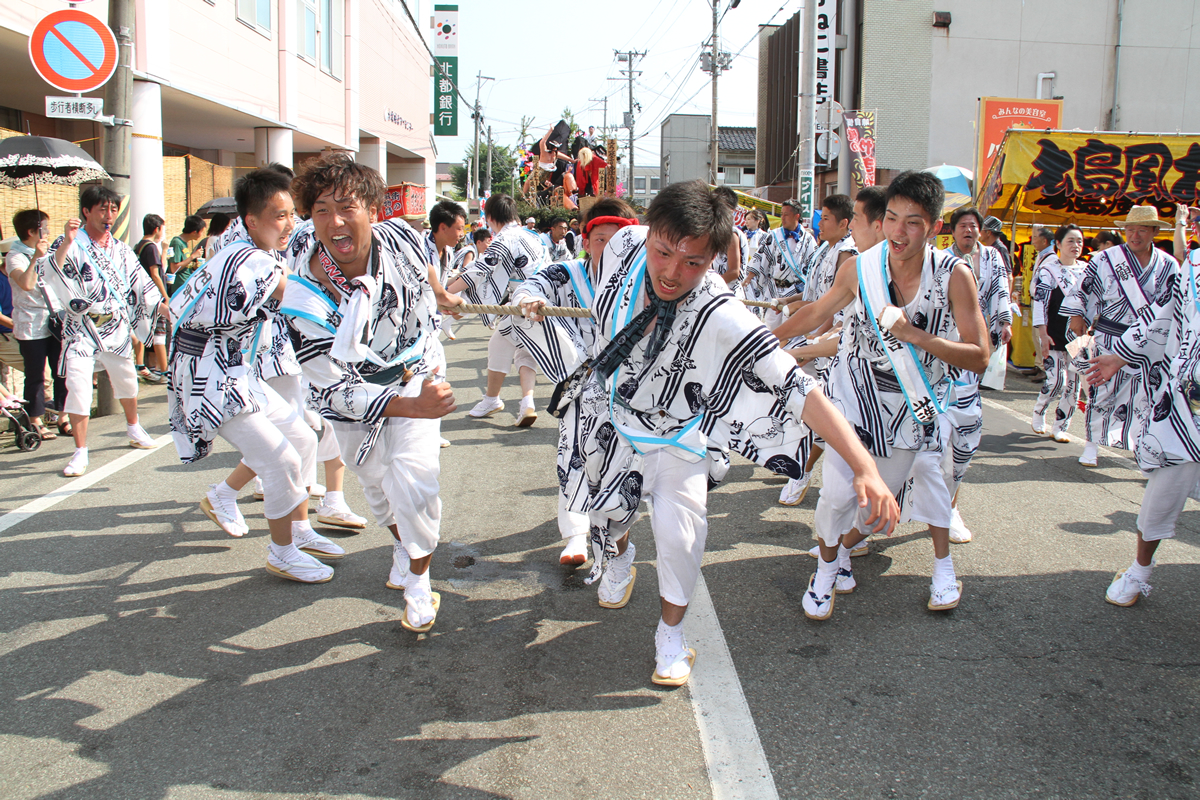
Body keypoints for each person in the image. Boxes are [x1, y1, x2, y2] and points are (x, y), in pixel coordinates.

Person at [571, 180, 898, 686]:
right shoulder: (621, 245)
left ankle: (670, 635)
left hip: (677, 439)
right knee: (609, 519)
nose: (673, 273)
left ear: (715, 260)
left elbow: (799, 389)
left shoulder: (722, 313)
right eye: (663, 252)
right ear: (650, 233)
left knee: (682, 539)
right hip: (612, 422)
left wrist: (864, 466)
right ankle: (619, 555)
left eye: (694, 263)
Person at [781, 171, 991, 618]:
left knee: (877, 503)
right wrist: (764, 342)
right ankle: (824, 571)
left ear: (934, 226)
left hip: (911, 410)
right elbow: (818, 311)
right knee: (836, 493)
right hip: (854, 399)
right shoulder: (861, 267)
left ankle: (844, 552)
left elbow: (979, 356)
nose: (899, 231)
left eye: (912, 222)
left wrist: (915, 335)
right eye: (892, 218)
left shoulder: (954, 276)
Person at [282, 151, 462, 631]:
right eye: (321, 210)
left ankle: (420, 582)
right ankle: (403, 544)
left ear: (374, 211)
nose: (335, 221)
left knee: (415, 477)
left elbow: (426, 266)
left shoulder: (402, 235)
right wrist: (413, 406)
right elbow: (332, 392)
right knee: (379, 488)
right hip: (352, 400)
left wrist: (441, 297)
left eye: (347, 207)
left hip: (415, 368)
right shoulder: (302, 294)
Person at [167, 167, 343, 582]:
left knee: (301, 437)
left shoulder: (250, 250)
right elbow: (297, 295)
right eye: (279, 216)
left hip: (236, 368)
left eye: (291, 215)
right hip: (210, 376)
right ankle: (281, 552)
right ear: (252, 220)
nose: (289, 224)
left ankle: (298, 530)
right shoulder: (250, 260)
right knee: (279, 458)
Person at [511, 197, 638, 566]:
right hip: (581, 391)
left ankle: (616, 546)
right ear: (585, 241)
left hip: (629, 395)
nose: (611, 249)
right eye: (601, 240)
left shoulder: (646, 280)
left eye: (621, 240)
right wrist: (530, 299)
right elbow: (526, 287)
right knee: (573, 459)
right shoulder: (566, 274)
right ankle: (577, 536)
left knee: (619, 471)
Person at [1099, 203, 1200, 606]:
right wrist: (1120, 354)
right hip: (1186, 407)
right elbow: (1165, 317)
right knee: (1163, 492)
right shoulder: (1192, 268)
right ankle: (1140, 570)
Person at [38, 185, 164, 477]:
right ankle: (80, 450)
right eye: (102, 209)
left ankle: (133, 427)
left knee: (127, 381)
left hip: (116, 324)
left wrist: (162, 307)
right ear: (86, 211)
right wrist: (66, 244)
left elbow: (141, 284)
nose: (109, 216)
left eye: (113, 209)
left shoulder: (120, 249)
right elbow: (48, 273)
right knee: (79, 386)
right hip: (81, 326)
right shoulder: (68, 241)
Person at [1062, 205, 1178, 467]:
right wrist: (1077, 315)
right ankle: (1092, 444)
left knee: (1148, 395)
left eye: (1142, 230)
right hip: (1110, 335)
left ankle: (1144, 446)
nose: (1135, 235)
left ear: (1155, 232)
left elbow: (1172, 305)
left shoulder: (1168, 264)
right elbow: (1084, 288)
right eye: (1130, 230)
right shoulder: (1106, 258)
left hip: (1148, 341)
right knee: (1101, 390)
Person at [933, 206, 1012, 544]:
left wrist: (1005, 321)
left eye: (973, 226)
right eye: (963, 226)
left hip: (976, 352)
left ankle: (950, 506)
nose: (969, 231)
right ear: (951, 231)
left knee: (963, 437)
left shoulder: (993, 258)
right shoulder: (940, 261)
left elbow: (1001, 292)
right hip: (943, 353)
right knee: (930, 438)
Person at [775, 193, 858, 506]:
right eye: (820, 217)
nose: (819, 223)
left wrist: (808, 344)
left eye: (825, 218)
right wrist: (791, 309)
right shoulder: (826, 248)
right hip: (817, 338)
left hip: (838, 348)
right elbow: (818, 301)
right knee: (797, 401)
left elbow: (836, 314)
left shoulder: (849, 255)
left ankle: (803, 471)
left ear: (845, 224)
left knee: (822, 413)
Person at [447, 195, 549, 427]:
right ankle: (527, 403)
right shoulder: (534, 236)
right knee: (524, 351)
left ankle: (493, 399)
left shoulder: (506, 238)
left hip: (526, 300)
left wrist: (445, 293)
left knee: (499, 344)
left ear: (490, 217)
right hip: (541, 299)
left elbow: (480, 270)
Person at [5, 209, 68, 439]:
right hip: (31, 324)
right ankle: (35, 420)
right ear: (31, 231)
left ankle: (63, 416)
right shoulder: (15, 256)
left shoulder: (46, 252)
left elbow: (59, 274)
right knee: (36, 375)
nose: (48, 232)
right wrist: (35, 258)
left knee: (61, 370)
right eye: (44, 228)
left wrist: (66, 242)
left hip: (54, 319)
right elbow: (26, 284)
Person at [1030, 224, 1086, 443]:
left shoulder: (1086, 270)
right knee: (1056, 382)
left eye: (1079, 241)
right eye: (1071, 241)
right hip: (1053, 332)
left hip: (1078, 336)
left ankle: (1061, 426)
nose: (1076, 245)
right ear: (1059, 244)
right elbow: (1040, 304)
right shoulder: (1048, 269)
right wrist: (1042, 334)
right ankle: (1039, 411)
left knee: (1074, 385)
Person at [742, 198, 818, 328]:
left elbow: (814, 265)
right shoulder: (773, 235)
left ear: (797, 216)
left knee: (792, 330)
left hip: (795, 290)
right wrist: (749, 277)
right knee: (771, 329)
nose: (782, 218)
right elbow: (761, 255)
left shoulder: (808, 239)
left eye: (786, 215)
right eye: (781, 214)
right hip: (774, 289)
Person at [133, 214, 170, 382]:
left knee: (143, 330)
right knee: (160, 335)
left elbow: (159, 268)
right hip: (153, 297)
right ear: (157, 229)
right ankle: (165, 372)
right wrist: (165, 295)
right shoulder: (150, 247)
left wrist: (163, 250)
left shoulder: (139, 246)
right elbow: (156, 274)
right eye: (162, 229)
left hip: (141, 297)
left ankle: (142, 365)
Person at [167, 215, 207, 296]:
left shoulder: (185, 243)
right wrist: (192, 256)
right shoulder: (177, 243)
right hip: (179, 288)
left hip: (186, 285)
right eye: (201, 231)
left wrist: (195, 265)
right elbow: (174, 268)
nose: (202, 234)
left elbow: (185, 264)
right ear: (194, 232)